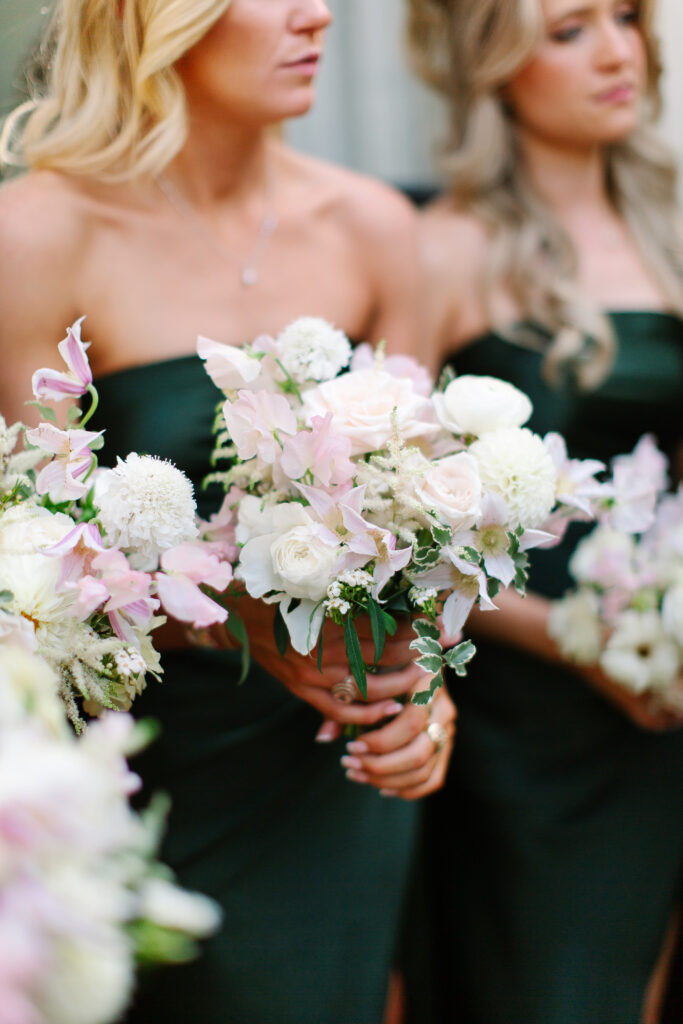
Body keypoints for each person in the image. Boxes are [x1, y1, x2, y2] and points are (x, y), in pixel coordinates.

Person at [0, 2, 456, 1022]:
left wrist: (425, 683)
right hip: (142, 766)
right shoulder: (37, 235)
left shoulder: (375, 228)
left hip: (334, 759)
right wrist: (226, 618)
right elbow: (21, 554)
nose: (318, 14)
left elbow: (420, 523)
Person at [403, 0, 683, 1022]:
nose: (617, 50)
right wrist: (579, 642)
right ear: (493, 65)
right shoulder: (438, 252)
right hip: (521, 716)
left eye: (624, 15)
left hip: (663, 692)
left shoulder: (672, 228)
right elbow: (399, 536)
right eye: (568, 30)